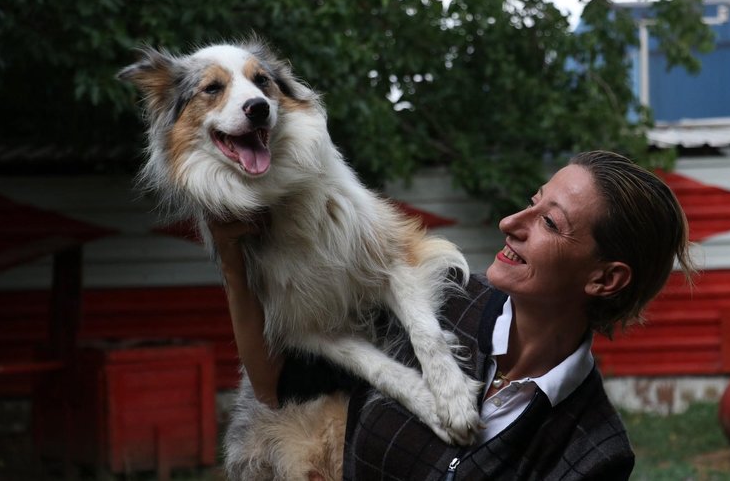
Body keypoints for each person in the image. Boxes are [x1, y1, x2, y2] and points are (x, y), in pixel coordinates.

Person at [210, 150, 695, 480]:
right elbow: (275, 382)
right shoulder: (439, 294)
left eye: (549, 222)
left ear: (604, 280)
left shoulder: (594, 454)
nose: (511, 224)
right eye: (532, 202)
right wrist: (233, 261)